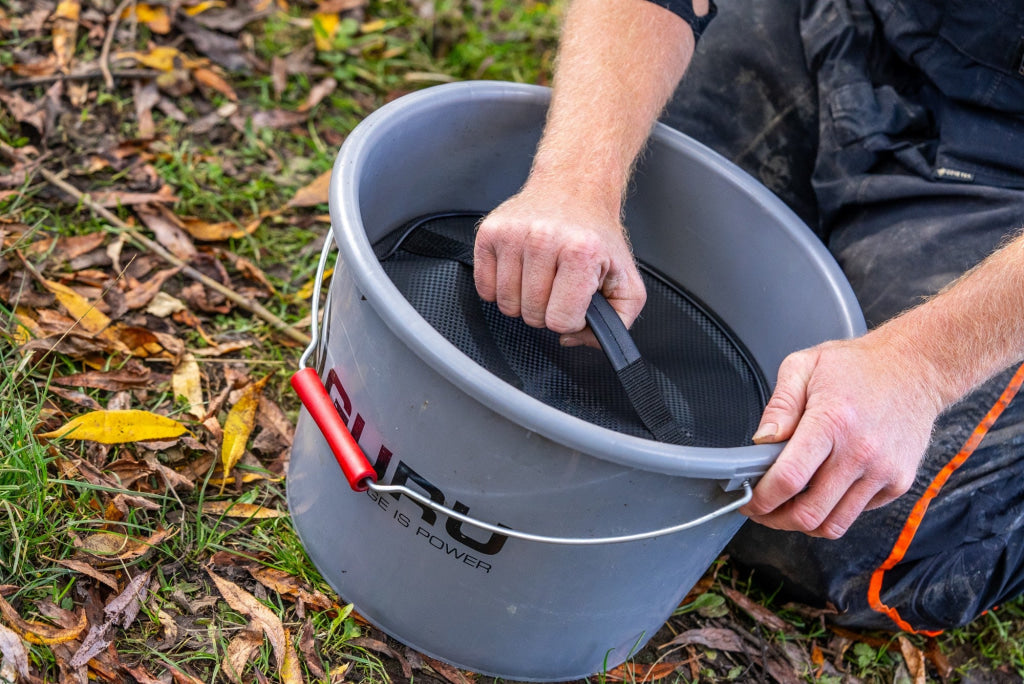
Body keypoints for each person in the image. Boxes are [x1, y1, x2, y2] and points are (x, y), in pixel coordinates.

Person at [472, 0, 1024, 632]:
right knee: (579, 279)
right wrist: (575, 182)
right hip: (856, 26)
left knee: (826, 514)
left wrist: (921, 368)